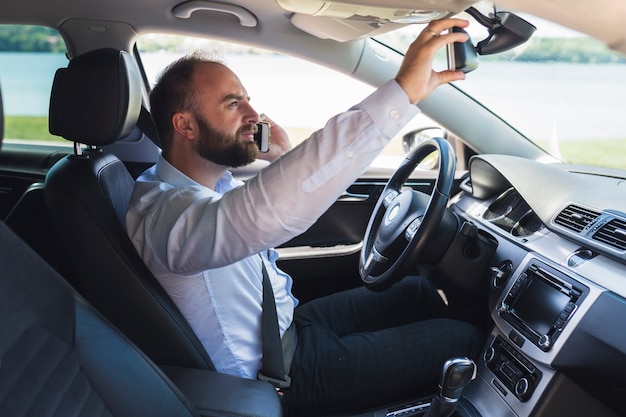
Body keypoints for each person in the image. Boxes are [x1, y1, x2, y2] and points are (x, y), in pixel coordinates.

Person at [126, 17, 482, 417]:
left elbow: (268, 209)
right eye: (232, 103)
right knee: (464, 339)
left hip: (289, 330)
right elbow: (263, 213)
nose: (253, 113)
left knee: (418, 292)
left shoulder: (199, 186)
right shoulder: (164, 215)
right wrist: (402, 94)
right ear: (185, 125)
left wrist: (281, 157)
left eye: (246, 99)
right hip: (281, 375)